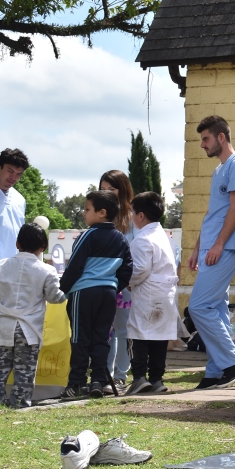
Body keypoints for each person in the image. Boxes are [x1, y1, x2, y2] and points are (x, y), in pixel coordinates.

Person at [186, 115, 235, 390]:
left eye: (205, 139)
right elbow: (213, 213)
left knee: (198, 306)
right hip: (211, 247)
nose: (202, 145)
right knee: (215, 308)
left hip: (225, 246)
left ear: (221, 137)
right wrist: (196, 249)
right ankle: (215, 372)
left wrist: (217, 245)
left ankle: (232, 362)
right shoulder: (219, 170)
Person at [0, 223, 65, 408]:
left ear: (17, 243)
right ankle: (19, 405)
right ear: (42, 248)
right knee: (24, 374)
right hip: (29, 330)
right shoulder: (46, 270)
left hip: (1, 326)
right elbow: (55, 297)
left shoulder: (1, 266)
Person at [59, 190, 133, 399]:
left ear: (101, 212)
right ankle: (98, 381)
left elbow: (74, 265)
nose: (84, 213)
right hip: (108, 293)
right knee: (102, 339)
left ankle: (76, 383)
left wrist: (62, 289)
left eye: (87, 209)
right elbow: (127, 269)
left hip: (83, 293)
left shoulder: (88, 235)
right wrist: (113, 285)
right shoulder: (121, 238)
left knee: (80, 338)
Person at [125, 192, 179, 395]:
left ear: (140, 216)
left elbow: (139, 270)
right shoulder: (167, 239)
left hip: (147, 294)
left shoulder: (142, 239)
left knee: (137, 333)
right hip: (166, 293)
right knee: (159, 336)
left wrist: (129, 283)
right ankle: (157, 378)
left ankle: (139, 377)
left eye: (132, 213)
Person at [100, 170, 135, 392]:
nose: (107, 194)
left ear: (122, 190)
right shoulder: (101, 215)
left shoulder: (132, 217)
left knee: (123, 330)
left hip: (126, 282)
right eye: (103, 190)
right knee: (106, 330)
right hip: (104, 282)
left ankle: (121, 375)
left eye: (111, 190)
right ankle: (106, 375)